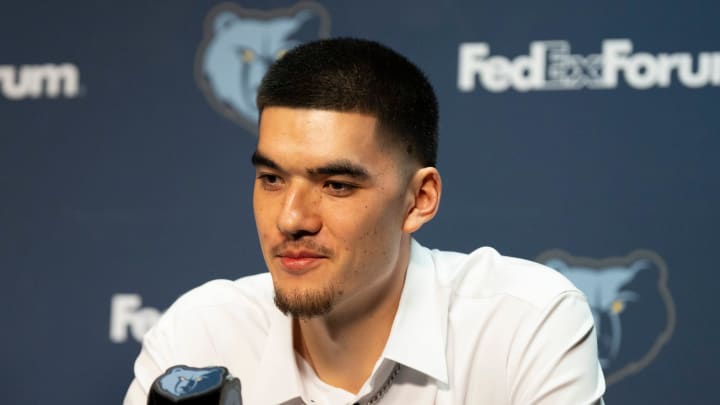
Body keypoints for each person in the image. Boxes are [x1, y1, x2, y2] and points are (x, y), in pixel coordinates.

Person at [124, 38, 605, 405]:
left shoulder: (524, 324)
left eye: (336, 185)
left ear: (419, 199)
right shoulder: (202, 334)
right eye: (271, 178)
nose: (291, 219)